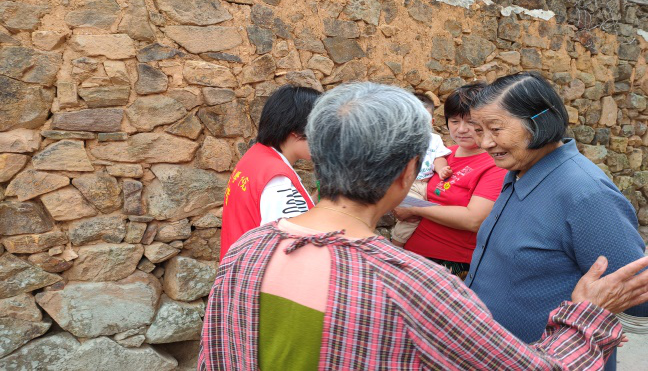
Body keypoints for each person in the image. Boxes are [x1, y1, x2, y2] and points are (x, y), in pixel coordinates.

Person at [198, 82, 648, 371]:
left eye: (494, 128)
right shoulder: (412, 284)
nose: (485, 142)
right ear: (406, 173)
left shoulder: (247, 251)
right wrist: (587, 315)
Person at [465, 72, 648, 371]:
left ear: (540, 122)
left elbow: (637, 293)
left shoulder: (586, 194)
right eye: (478, 130)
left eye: (495, 129)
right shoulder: (518, 172)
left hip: (557, 360)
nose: (484, 142)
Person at [393, 84, 507, 279]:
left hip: (448, 264)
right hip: (412, 255)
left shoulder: (495, 164)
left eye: (470, 122)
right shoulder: (444, 153)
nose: (461, 129)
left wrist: (414, 207)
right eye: (454, 121)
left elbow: (473, 220)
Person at [220, 85, 320, 260]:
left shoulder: (256, 157)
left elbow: (291, 211)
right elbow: (289, 250)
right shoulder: (278, 180)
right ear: (296, 131)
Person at [391, 93, 453, 248]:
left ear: (431, 122)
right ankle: (396, 245)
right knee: (411, 218)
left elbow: (438, 157)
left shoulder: (435, 139)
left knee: (426, 214)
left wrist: (442, 169)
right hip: (408, 185)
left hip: (427, 184)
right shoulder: (400, 140)